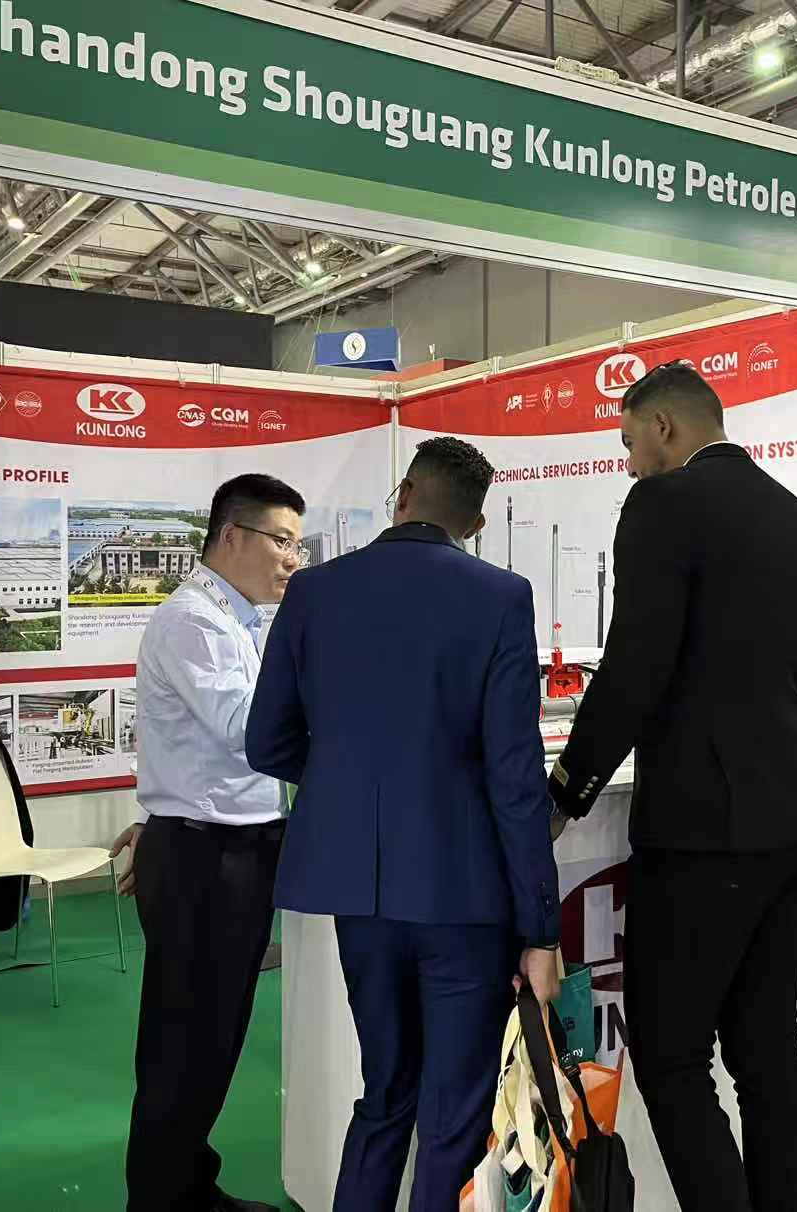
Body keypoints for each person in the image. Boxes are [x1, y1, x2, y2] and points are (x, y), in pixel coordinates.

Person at [548, 362, 797, 1212]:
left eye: (629, 443)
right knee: (766, 1045)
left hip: (707, 823)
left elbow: (633, 670)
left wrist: (567, 790)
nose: (628, 463)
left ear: (665, 427)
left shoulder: (663, 505)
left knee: (673, 1053)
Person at [247, 436, 561, 1212]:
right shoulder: (500, 596)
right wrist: (541, 929)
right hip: (464, 894)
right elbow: (516, 778)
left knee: (385, 1092)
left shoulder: (313, 592)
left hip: (359, 894)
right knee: (453, 1114)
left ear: (404, 495)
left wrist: (348, 786)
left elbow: (267, 741)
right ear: (476, 524)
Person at [109, 473, 308, 1212]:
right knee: (183, 1042)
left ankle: (188, 1184)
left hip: (226, 849)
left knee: (215, 1036)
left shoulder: (242, 621)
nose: (293, 559)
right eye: (281, 541)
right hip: (205, 857)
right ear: (231, 536)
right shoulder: (194, 621)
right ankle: (161, 1200)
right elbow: (247, 730)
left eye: (298, 544)